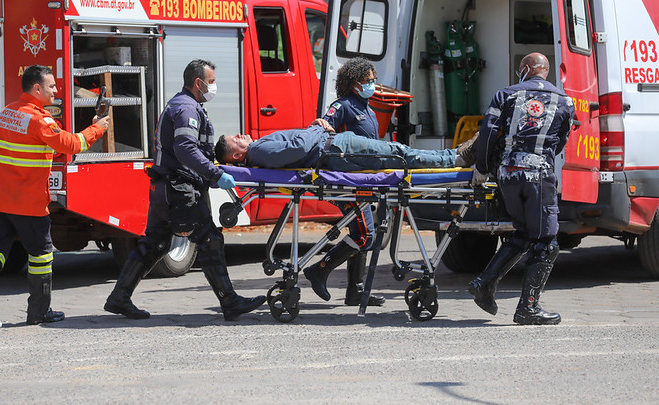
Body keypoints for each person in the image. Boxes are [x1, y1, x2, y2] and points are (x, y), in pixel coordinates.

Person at [104, 59, 265, 321]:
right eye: (211, 82)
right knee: (210, 239)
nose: (214, 87)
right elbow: (185, 148)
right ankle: (229, 301)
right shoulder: (186, 108)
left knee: (155, 243)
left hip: (165, 188)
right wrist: (215, 174)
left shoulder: (185, 105)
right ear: (198, 83)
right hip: (178, 189)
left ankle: (119, 296)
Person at [0, 65, 110, 328]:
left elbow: (32, 148)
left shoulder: (6, 113)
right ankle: (39, 312)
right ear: (37, 89)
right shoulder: (39, 120)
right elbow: (71, 145)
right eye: (52, 86)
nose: (56, 90)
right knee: (42, 255)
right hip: (27, 202)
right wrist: (97, 129)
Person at [468, 52, 574, 325]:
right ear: (546, 72)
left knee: (524, 233)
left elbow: (489, 133)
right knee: (546, 243)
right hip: (539, 176)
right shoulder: (564, 101)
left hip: (508, 175)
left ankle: (484, 283)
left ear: (526, 69)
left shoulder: (505, 95)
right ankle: (528, 309)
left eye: (520, 69)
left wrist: (482, 166)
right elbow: (561, 141)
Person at [307, 57, 386, 307]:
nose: (373, 84)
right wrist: (321, 126)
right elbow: (322, 127)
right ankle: (319, 270)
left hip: (363, 182)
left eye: (374, 80)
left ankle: (356, 292)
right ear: (354, 84)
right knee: (365, 235)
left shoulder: (367, 109)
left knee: (359, 232)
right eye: (368, 81)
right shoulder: (342, 106)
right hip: (346, 182)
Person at [214, 126, 477, 172]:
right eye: (235, 138)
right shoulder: (258, 152)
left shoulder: (258, 148)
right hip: (337, 149)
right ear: (237, 155)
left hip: (337, 146)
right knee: (399, 154)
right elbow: (298, 148)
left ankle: (453, 155)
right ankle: (456, 158)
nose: (240, 134)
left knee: (398, 151)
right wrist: (317, 127)